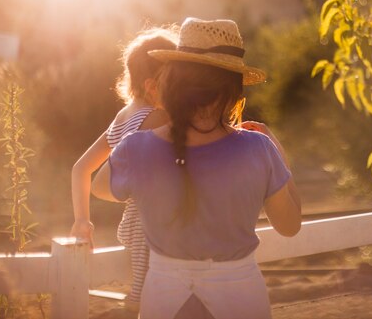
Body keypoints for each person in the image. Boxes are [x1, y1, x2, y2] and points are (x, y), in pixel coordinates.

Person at [91, 17, 302, 319]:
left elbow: (101, 188)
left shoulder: (136, 149)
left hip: (163, 302)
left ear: (173, 83)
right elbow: (290, 225)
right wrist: (278, 152)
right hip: (241, 302)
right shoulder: (259, 149)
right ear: (233, 93)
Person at [70, 28, 177, 308]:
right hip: (155, 223)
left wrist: (83, 220)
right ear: (154, 83)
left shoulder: (122, 116)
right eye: (176, 79)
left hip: (132, 221)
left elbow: (81, 169)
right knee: (156, 296)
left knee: (147, 293)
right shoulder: (157, 118)